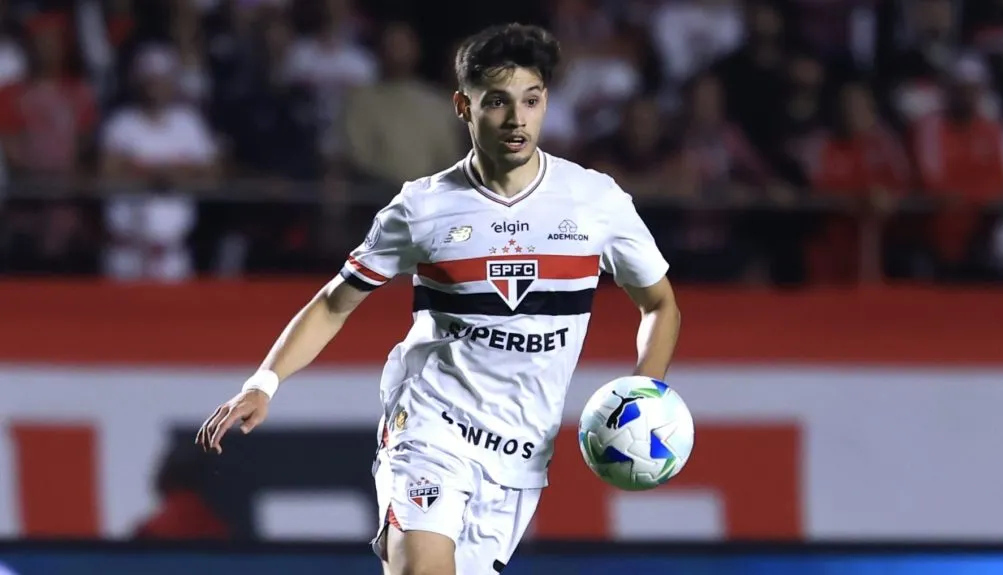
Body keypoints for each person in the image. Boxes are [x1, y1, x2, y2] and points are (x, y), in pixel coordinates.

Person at [196, 23, 679, 575]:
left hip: (520, 457)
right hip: (429, 428)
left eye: (530, 100)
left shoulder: (596, 202)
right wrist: (263, 382)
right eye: (496, 102)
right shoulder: (422, 208)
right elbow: (334, 302)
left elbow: (660, 304)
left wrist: (646, 393)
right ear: (462, 106)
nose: (516, 119)